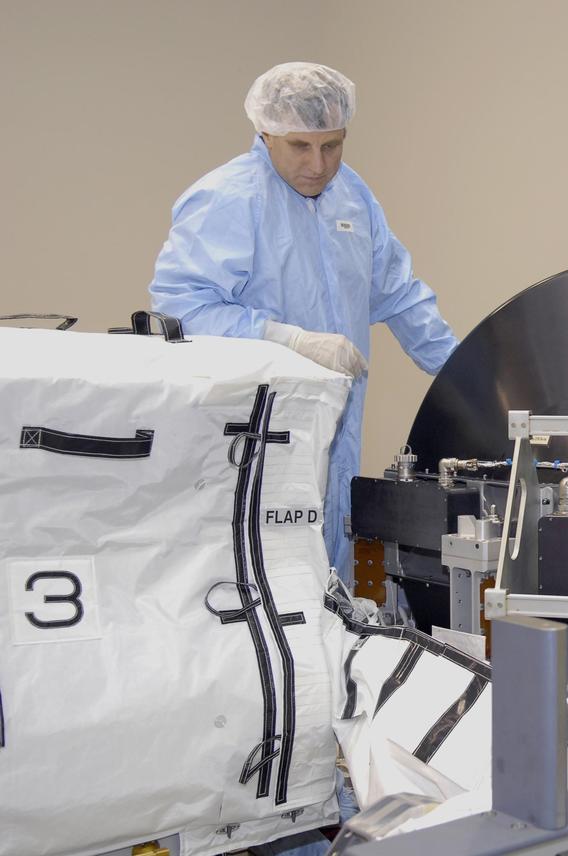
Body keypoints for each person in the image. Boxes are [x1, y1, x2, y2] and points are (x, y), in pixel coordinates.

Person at [150, 62, 457, 584]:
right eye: (300, 147)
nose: (319, 164)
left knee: (329, 584)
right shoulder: (229, 198)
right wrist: (288, 340)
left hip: (338, 435)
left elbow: (399, 294)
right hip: (254, 441)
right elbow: (181, 308)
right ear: (266, 133)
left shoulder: (353, 198)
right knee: (262, 585)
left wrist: (467, 373)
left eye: (333, 145)